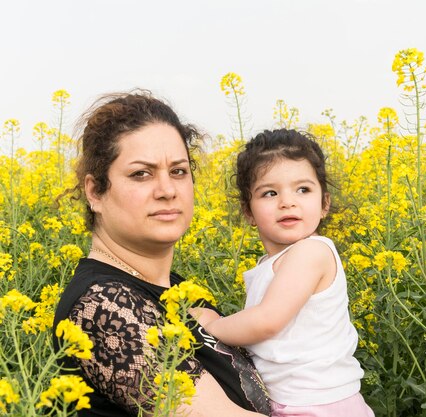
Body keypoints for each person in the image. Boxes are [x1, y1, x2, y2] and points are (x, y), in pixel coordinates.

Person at [52, 91, 271, 417]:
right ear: (95, 192)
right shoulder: (102, 306)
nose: (167, 190)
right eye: (142, 173)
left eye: (179, 171)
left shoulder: (180, 292)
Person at [202, 129, 374, 417]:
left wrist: (210, 326)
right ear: (248, 212)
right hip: (297, 403)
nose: (287, 201)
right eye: (270, 193)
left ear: (324, 204)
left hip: (320, 405)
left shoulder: (311, 252)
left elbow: (268, 321)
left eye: (303, 190)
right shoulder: (271, 264)